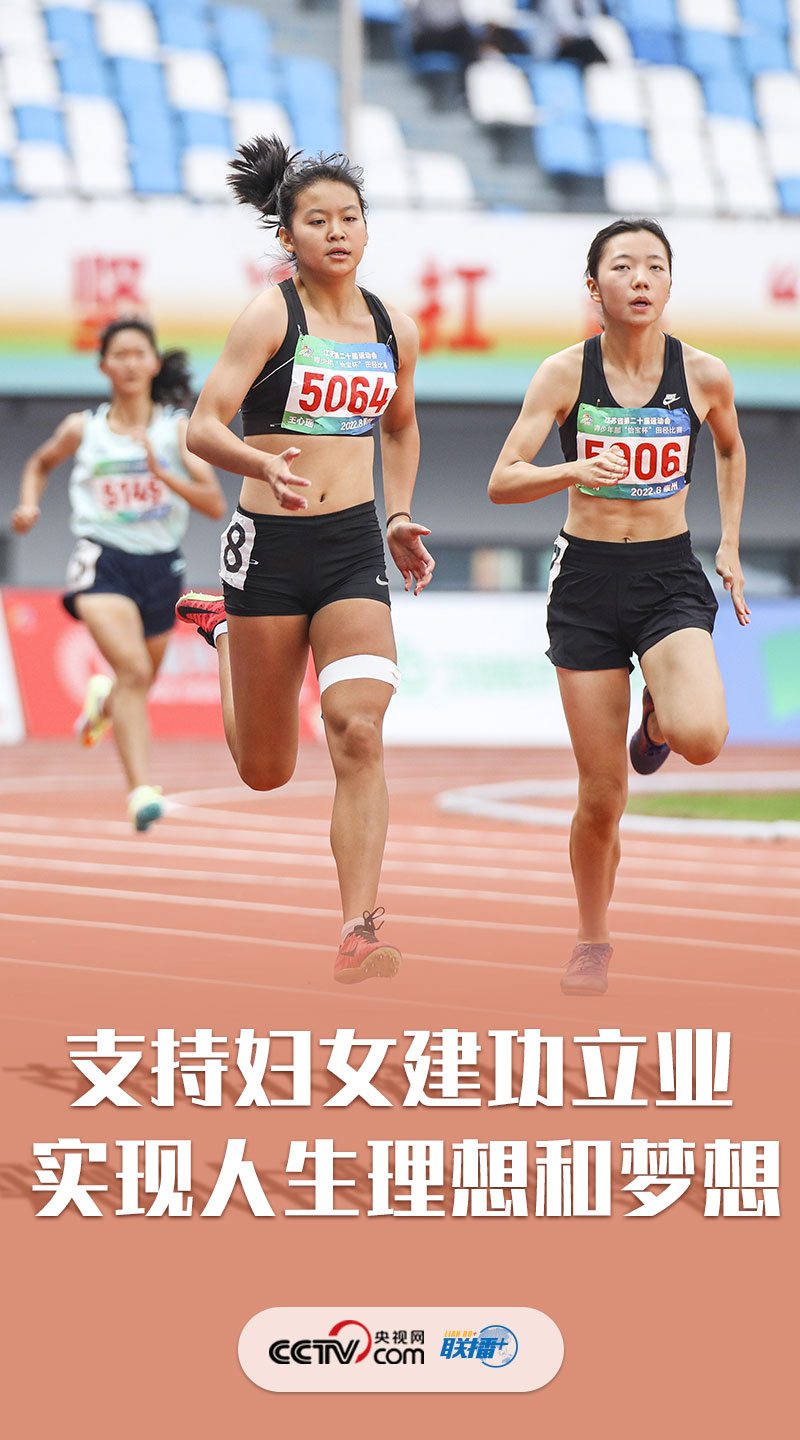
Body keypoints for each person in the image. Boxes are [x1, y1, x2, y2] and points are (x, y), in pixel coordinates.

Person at [175, 136, 434, 984]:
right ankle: (223, 631)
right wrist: (261, 464)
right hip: (270, 550)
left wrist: (399, 515)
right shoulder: (270, 315)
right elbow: (203, 426)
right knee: (265, 769)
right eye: (317, 220)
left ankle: (357, 928)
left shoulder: (392, 327)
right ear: (288, 235)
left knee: (359, 729)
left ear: (367, 228)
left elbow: (400, 427)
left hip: (352, 544)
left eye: (350, 217)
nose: (337, 232)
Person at [488, 217, 748, 996]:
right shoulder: (564, 375)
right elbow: (502, 480)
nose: (640, 279)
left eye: (655, 266)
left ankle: (659, 720)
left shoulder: (703, 375)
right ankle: (592, 939)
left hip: (668, 575)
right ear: (593, 286)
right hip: (587, 584)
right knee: (602, 796)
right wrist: (572, 469)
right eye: (624, 266)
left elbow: (731, 448)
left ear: (669, 284)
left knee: (703, 738)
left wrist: (730, 544)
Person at [11, 319, 225, 830]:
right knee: (132, 670)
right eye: (119, 355)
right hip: (102, 562)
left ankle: (102, 701)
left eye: (138, 354)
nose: (130, 363)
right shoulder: (83, 428)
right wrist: (28, 504)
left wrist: (164, 474)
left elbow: (214, 503)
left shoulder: (177, 430)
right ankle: (141, 791)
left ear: (154, 363)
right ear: (104, 365)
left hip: (161, 567)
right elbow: (40, 463)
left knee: (136, 680)